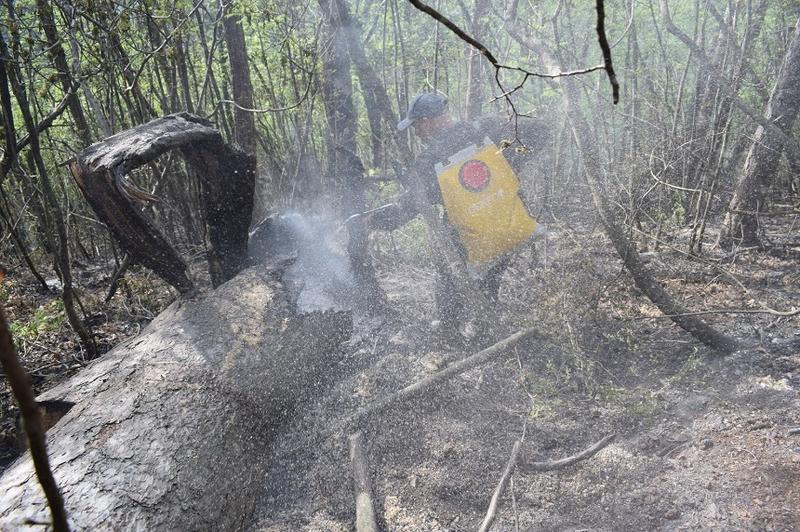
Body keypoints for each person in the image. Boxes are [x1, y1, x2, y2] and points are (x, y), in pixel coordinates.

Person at [363, 93, 541, 334]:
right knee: (490, 276)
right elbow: (540, 131)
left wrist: (374, 221)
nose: (417, 132)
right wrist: (512, 162)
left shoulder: (430, 159)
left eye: (416, 126)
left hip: (474, 234)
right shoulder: (486, 127)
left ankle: (449, 331)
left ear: (427, 121)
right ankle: (483, 327)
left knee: (447, 269)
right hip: (509, 224)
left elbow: (411, 205)